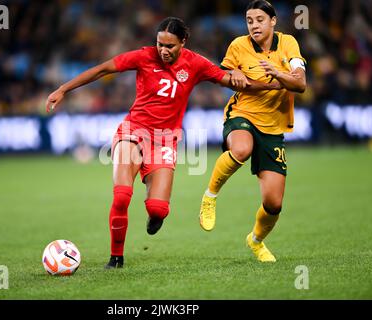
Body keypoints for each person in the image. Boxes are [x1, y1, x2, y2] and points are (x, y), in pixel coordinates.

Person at [46, 17, 281, 269]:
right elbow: (103, 69)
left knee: (158, 209)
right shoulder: (143, 56)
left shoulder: (196, 64)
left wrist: (277, 83)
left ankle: (154, 216)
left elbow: (233, 82)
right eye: (160, 44)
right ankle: (116, 258)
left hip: (165, 140)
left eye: (170, 46)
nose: (163, 50)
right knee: (122, 195)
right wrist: (63, 89)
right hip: (133, 131)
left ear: (183, 42)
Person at [199, 0, 306, 262]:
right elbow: (225, 74)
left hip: (273, 127)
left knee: (274, 204)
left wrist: (277, 75)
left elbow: (300, 83)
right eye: (249, 20)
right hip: (242, 114)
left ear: (272, 21)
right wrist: (233, 72)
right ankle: (210, 196)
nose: (254, 25)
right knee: (241, 149)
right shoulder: (238, 45)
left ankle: (256, 241)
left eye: (259, 19)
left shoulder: (289, 43)